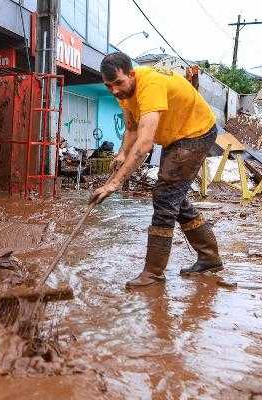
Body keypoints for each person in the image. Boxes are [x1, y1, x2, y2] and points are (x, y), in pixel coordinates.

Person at [91, 52, 222, 289]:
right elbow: (131, 130)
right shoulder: (123, 92)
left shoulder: (150, 85)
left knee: (165, 198)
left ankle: (153, 273)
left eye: (118, 83)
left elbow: (143, 146)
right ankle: (209, 257)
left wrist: (114, 183)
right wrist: (121, 154)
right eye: (108, 86)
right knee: (173, 197)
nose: (114, 91)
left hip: (197, 133)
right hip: (176, 137)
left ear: (131, 74)